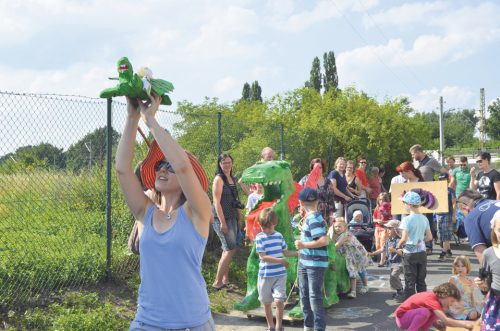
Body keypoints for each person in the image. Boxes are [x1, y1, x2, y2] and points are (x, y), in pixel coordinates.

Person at [116, 95, 214, 330]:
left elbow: (182, 166)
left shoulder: (197, 212)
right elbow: (122, 169)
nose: (162, 168)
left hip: (192, 324)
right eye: (159, 165)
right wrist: (132, 117)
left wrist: (151, 120)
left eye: (168, 165)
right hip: (146, 322)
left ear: (185, 181)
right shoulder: (145, 213)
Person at [255, 208, 298, 331]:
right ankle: (271, 327)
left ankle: (279, 327)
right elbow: (263, 257)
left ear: (274, 223)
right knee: (266, 303)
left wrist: (299, 253)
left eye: (269, 227)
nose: (267, 230)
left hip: (280, 274)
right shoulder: (260, 237)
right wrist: (280, 261)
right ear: (260, 225)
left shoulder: (279, 236)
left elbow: (286, 252)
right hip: (265, 275)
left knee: (279, 301)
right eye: (264, 227)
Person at [294, 187, 329, 331]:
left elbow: (323, 240)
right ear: (317, 201)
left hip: (315, 263)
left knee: (314, 297)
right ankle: (308, 326)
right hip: (305, 261)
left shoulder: (313, 218)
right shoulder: (311, 217)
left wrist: (303, 244)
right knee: (304, 295)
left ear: (300, 202)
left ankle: (318, 327)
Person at [212, 153, 243, 290]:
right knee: (230, 249)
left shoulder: (233, 179)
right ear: (219, 164)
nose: (227, 165)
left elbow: (235, 201)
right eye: (224, 162)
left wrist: (240, 217)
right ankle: (217, 283)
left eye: (229, 162)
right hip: (222, 218)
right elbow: (216, 202)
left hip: (233, 216)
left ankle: (225, 280)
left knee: (229, 249)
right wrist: (222, 223)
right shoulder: (219, 179)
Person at [398, 191, 433, 301]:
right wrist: (421, 241)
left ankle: (411, 303)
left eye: (404, 203)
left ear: (409, 205)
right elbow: (430, 237)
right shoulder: (424, 218)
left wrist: (399, 245)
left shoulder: (406, 219)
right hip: (422, 252)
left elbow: (404, 239)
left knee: (409, 280)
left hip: (409, 253)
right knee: (421, 280)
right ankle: (423, 302)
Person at [394, 282, 475, 330]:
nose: (451, 304)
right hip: (402, 318)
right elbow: (446, 321)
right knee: (424, 312)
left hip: (408, 317)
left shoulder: (436, 301)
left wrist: (437, 325)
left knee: (434, 312)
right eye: (452, 301)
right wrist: (465, 324)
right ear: (444, 294)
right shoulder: (432, 299)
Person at [329, 217, 371, 299]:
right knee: (352, 271)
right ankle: (353, 291)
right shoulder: (337, 235)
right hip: (348, 256)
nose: (337, 228)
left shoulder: (346, 235)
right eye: (336, 227)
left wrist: (337, 240)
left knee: (360, 270)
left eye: (339, 226)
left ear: (345, 227)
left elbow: (336, 247)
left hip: (356, 255)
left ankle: (364, 286)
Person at [457, 189, 500, 264]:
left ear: (464, 208)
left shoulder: (471, 217)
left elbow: (481, 252)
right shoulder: (495, 201)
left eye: (462, 213)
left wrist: (487, 274)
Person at [475, 211, 500, 330]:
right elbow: (485, 284)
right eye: (499, 230)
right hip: (496, 303)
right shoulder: (488, 254)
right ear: (494, 230)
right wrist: (482, 285)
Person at [369, 219, 403, 299]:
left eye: (390, 228)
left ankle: (401, 291)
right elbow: (382, 249)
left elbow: (402, 253)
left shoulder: (399, 240)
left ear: (396, 229)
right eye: (387, 228)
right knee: (394, 278)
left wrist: (394, 250)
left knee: (394, 276)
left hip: (399, 262)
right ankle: (399, 290)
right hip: (391, 263)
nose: (387, 230)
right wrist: (372, 253)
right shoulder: (388, 241)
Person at [299, 158, 336, 224]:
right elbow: (298, 194)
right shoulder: (305, 179)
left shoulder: (328, 182)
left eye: (320, 168)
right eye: (315, 167)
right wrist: (301, 207)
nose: (318, 170)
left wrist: (331, 216)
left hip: (325, 214)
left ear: (323, 168)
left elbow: (331, 200)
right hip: (310, 213)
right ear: (312, 168)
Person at [447, 255, 483, 320]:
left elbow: (472, 297)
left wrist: (474, 307)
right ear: (455, 267)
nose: (460, 268)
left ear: (467, 267)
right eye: (458, 266)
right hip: (458, 306)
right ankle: (474, 314)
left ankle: (476, 313)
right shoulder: (453, 279)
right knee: (473, 314)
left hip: (469, 305)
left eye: (463, 266)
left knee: (485, 304)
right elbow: (449, 295)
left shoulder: (470, 281)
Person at [436, 172, 456, 261]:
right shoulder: (436, 190)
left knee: (445, 233)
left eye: (444, 179)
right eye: (440, 179)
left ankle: (443, 252)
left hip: (447, 214)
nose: (442, 181)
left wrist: (453, 215)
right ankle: (448, 251)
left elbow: (454, 203)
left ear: (447, 180)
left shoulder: (450, 191)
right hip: (438, 214)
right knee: (440, 233)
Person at [372, 193, 392, 267]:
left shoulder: (389, 209)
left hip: (385, 228)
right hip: (377, 228)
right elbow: (373, 219)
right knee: (377, 244)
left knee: (383, 243)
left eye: (383, 200)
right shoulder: (377, 209)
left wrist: (384, 222)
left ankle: (382, 261)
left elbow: (391, 220)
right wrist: (377, 220)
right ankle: (385, 257)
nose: (381, 201)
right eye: (380, 200)